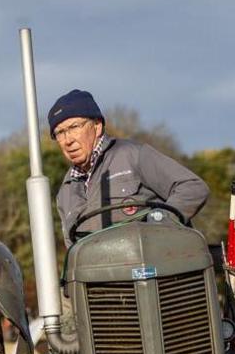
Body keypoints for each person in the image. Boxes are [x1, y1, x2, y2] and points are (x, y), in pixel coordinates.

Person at [48, 89, 209, 246]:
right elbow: (72, 247)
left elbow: (193, 187)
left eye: (74, 127)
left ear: (96, 126)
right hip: (101, 271)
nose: (67, 140)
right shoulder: (65, 192)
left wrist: (161, 223)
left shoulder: (132, 155)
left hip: (153, 266)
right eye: (60, 133)